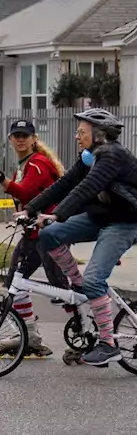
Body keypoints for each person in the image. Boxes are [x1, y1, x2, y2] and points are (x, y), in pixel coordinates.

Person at [22, 108, 135, 366]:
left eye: (81, 132)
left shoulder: (112, 156)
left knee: (96, 280)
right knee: (49, 235)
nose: (76, 136)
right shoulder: (89, 157)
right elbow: (65, 184)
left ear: (98, 135)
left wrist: (58, 214)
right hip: (99, 218)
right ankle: (78, 283)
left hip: (123, 223)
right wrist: (30, 208)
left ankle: (108, 344)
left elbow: (87, 188)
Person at [0, 118, 67, 356]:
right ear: (10, 139)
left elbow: (25, 191)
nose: (20, 139)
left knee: (61, 287)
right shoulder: (24, 165)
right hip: (32, 234)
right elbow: (23, 197)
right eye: (16, 135)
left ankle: (90, 330)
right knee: (15, 281)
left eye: (25, 136)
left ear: (34, 139)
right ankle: (30, 336)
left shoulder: (37, 163)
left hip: (48, 234)